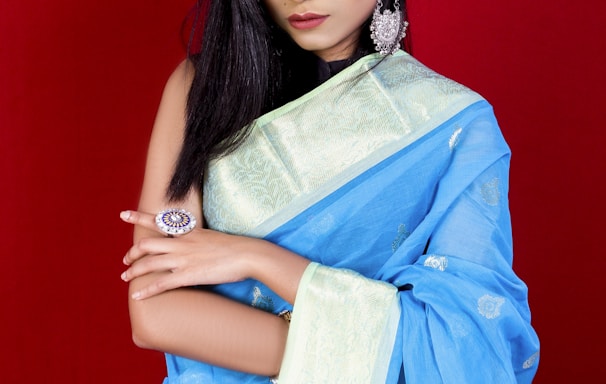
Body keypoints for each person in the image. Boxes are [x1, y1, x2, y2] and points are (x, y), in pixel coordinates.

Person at [119, 0, 540, 382]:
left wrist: (255, 258)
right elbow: (154, 312)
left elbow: (465, 348)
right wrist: (337, 342)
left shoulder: (454, 126)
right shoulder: (204, 88)